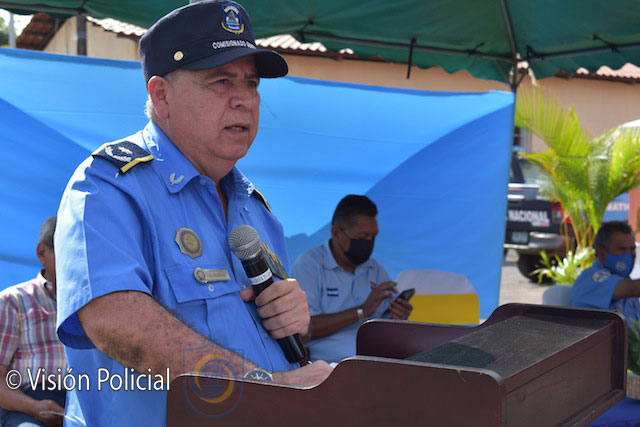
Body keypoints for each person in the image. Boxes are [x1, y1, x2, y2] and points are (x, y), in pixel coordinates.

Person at [54, 2, 331, 426]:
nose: (244, 100)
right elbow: (114, 319)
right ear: (161, 96)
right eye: (221, 81)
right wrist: (265, 388)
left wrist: (294, 318)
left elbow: (267, 335)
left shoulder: (255, 209)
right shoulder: (108, 186)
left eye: (252, 83)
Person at [291, 195, 413, 363]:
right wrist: (361, 311)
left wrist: (398, 317)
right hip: (330, 367)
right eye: (362, 237)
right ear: (336, 233)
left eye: (373, 237)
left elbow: (386, 324)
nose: (369, 243)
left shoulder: (375, 270)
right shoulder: (309, 265)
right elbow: (304, 329)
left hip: (377, 362)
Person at [0, 216, 66, 427]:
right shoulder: (13, 300)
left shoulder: (92, 305)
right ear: (42, 252)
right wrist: (35, 407)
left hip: (80, 405)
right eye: (67, 251)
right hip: (27, 406)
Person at [571, 221, 640, 322]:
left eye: (632, 249)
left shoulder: (625, 280)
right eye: (622, 249)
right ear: (601, 252)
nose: (630, 255)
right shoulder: (590, 279)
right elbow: (635, 289)